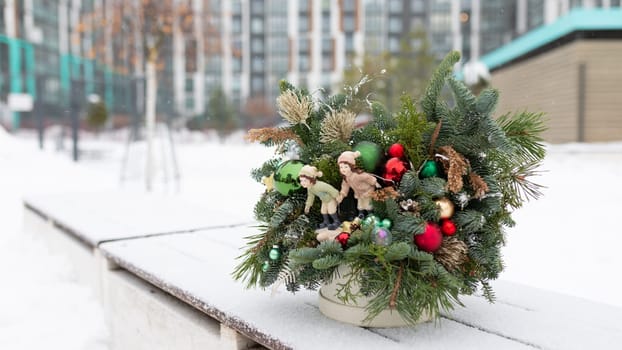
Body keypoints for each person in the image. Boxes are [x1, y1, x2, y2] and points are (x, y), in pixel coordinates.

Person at [336, 151, 380, 219]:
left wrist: (375, 183)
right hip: (359, 194)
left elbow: (367, 177)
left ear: (351, 166)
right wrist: (342, 195)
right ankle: (361, 214)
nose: (343, 169)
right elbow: (345, 187)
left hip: (367, 190)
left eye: (345, 167)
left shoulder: (357, 175)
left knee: (368, 204)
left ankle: (371, 215)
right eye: (341, 167)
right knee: (360, 205)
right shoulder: (346, 179)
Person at [298, 165, 342, 231]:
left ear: (311, 179)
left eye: (305, 181)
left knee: (331, 210)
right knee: (323, 211)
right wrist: (308, 205)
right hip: (324, 200)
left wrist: (337, 196)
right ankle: (326, 222)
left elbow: (330, 189)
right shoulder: (309, 188)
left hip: (330, 199)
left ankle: (337, 222)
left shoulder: (319, 185)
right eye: (301, 181)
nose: (302, 183)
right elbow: (310, 197)